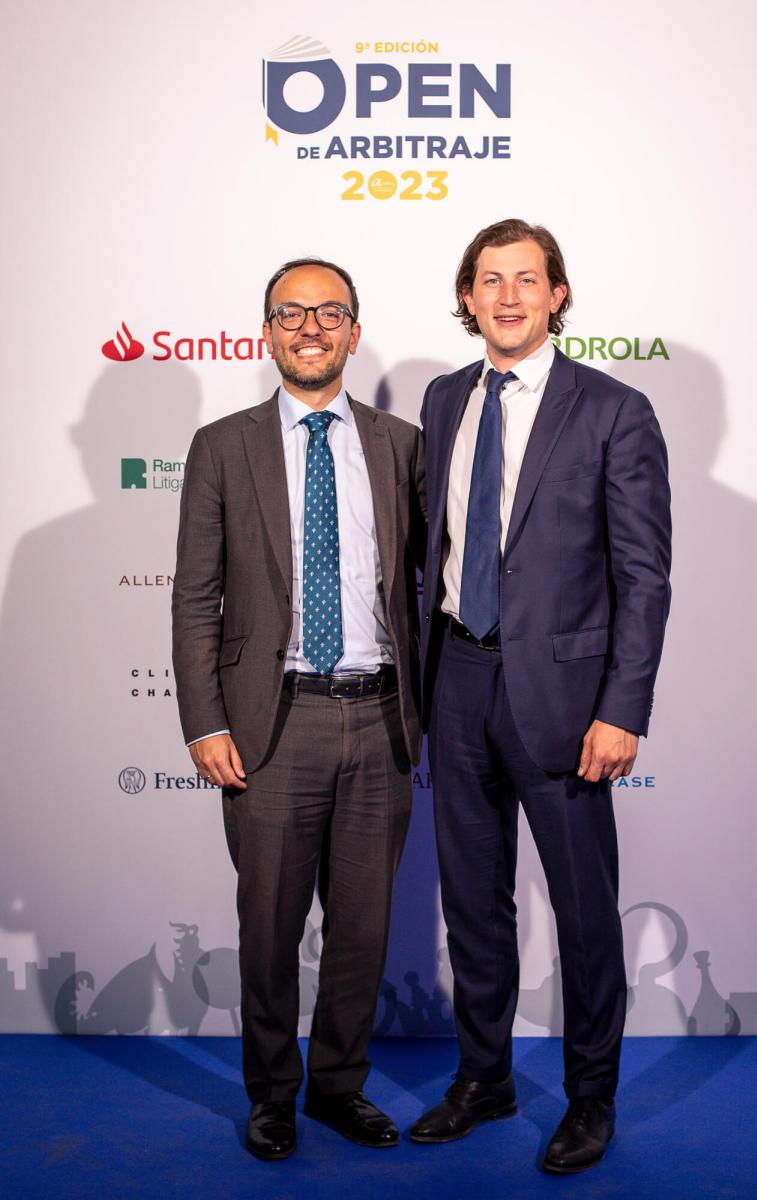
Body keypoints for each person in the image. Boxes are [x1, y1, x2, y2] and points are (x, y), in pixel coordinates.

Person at [410, 219, 671, 1173]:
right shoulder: (445, 399)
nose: (509, 297)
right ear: (468, 296)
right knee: (473, 904)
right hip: (457, 678)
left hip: (565, 701)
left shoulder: (614, 409)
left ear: (557, 295)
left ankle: (591, 1099)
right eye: (491, 280)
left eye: (528, 279)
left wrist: (623, 708)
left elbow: (643, 576)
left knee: (584, 912)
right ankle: (485, 1078)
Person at [172, 257, 426, 1160]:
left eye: (329, 313)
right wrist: (205, 721)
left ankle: (339, 1088)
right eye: (291, 313)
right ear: (266, 332)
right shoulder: (221, 445)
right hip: (270, 723)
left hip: (381, 714)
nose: (310, 328)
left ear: (354, 331)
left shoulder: (402, 444)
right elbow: (195, 597)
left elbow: (438, 577)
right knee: (270, 927)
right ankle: (272, 1095)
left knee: (363, 930)